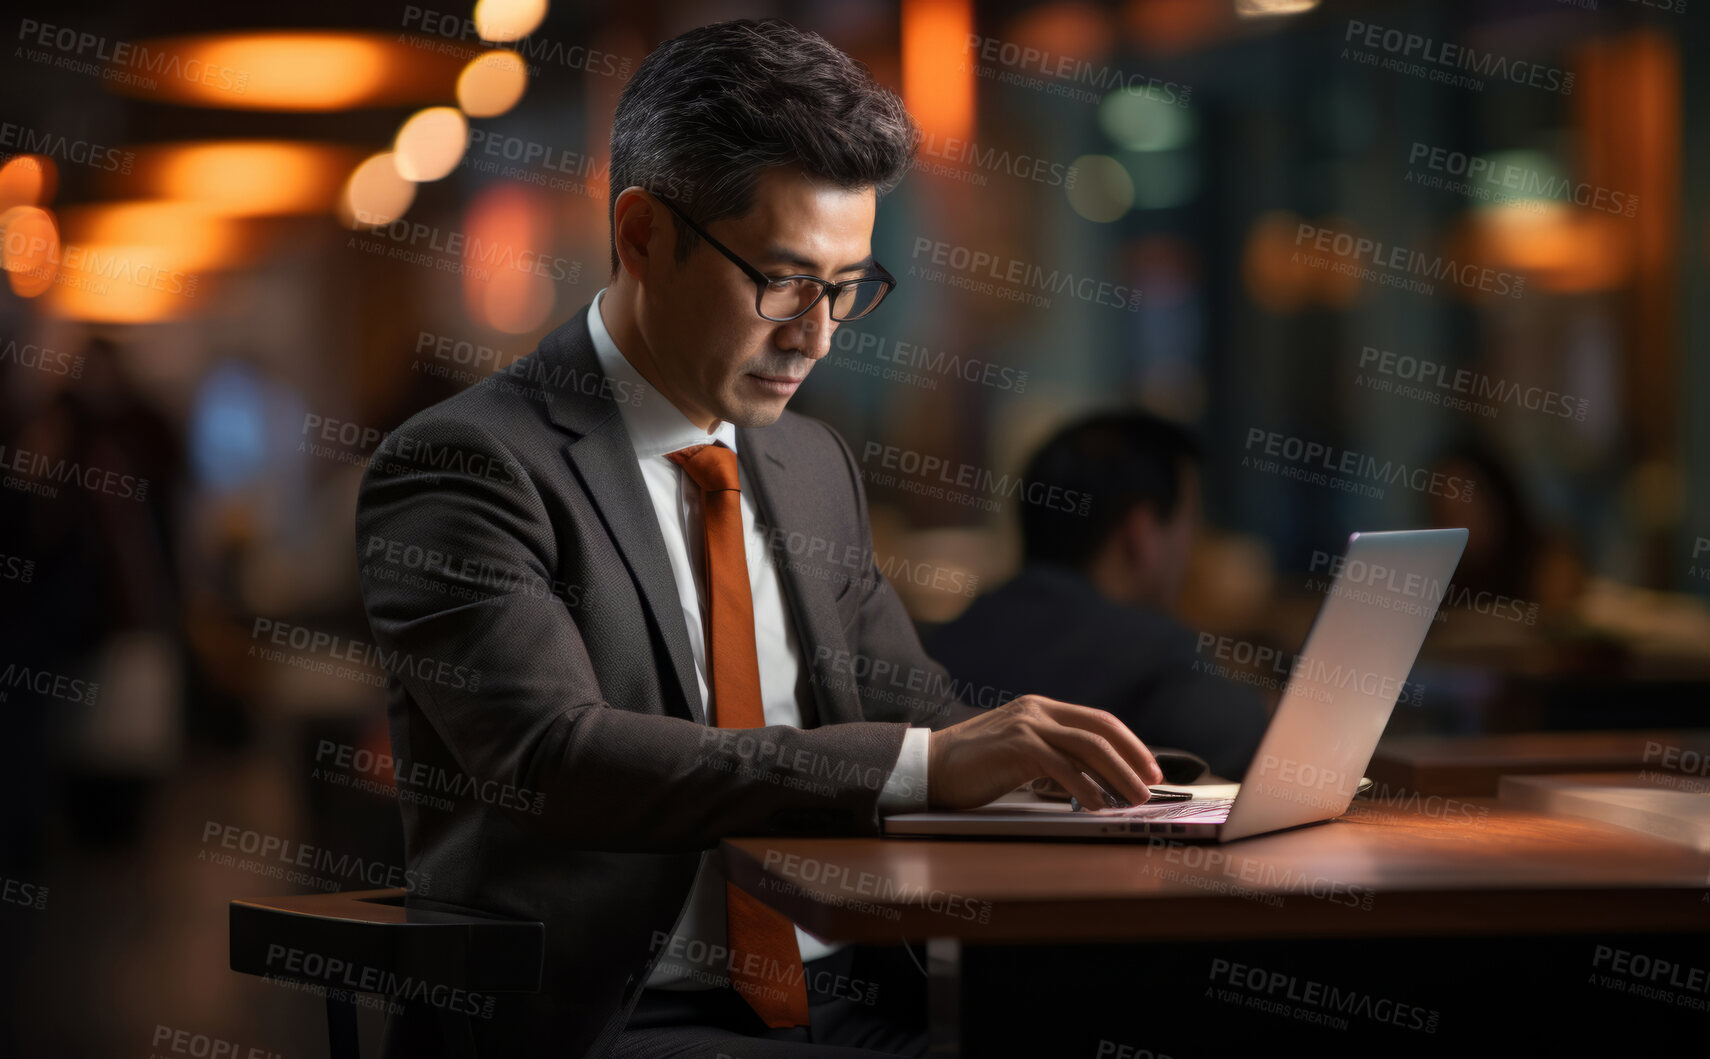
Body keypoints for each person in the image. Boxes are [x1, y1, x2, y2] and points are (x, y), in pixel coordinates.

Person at [353, 19, 1161, 1059]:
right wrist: (922, 764)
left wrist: (1127, 783)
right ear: (642, 236)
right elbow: (554, 759)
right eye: (781, 281)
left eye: (845, 287)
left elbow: (916, 720)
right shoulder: (467, 463)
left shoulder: (810, 468)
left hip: (862, 1002)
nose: (816, 334)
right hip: (614, 1020)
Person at [926, 412, 1269, 780]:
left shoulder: (938, 646)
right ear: (1141, 535)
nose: (1192, 551)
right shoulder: (1152, 652)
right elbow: (1263, 750)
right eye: (1190, 526)